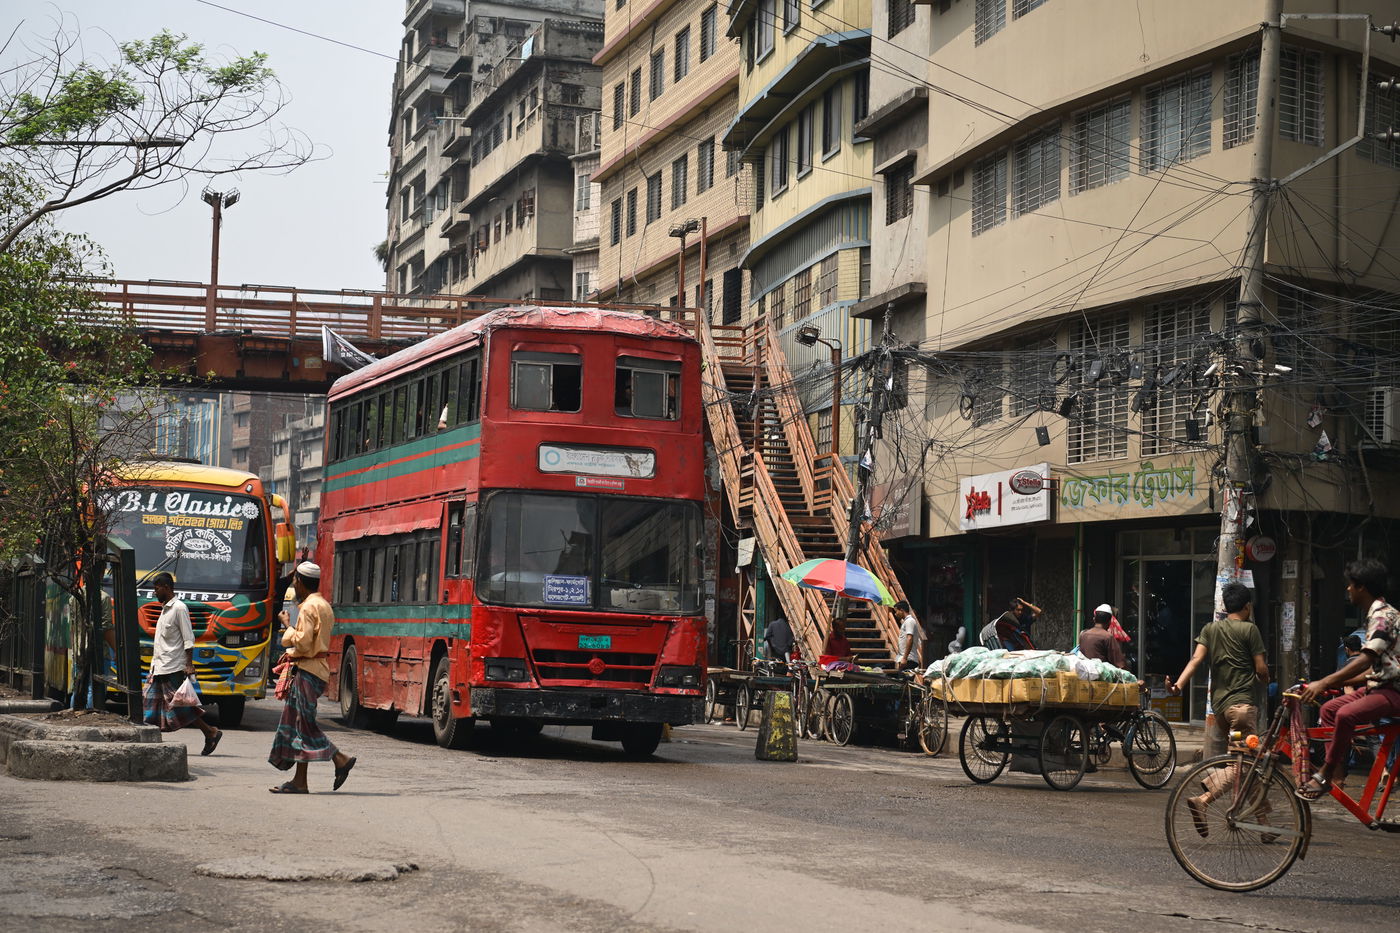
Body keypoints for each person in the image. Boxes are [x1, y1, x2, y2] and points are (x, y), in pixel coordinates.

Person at [1166, 581, 1268, 833]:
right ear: (1248, 606)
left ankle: (1265, 825)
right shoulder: (1250, 629)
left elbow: (1196, 660)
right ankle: (1204, 799)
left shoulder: (1211, 629)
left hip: (1221, 710)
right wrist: (1266, 678)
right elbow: (1261, 667)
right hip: (1242, 709)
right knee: (1242, 766)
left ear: (1225, 605)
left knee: (1246, 762)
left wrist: (1178, 687)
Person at [1298, 559, 1400, 800]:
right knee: (1329, 710)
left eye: (1350, 585)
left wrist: (1324, 682)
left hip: (1394, 691)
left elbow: (1366, 659)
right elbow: (1375, 667)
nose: (1348, 589)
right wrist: (1332, 683)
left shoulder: (1383, 616)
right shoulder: (1376, 613)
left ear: (1361, 587)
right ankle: (1336, 778)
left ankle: (1324, 773)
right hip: (1379, 687)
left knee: (1345, 715)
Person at [269, 561, 358, 793]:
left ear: (300, 582)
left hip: (308, 668)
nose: (294, 584)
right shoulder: (324, 605)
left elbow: (303, 641)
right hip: (316, 668)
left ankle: (340, 759)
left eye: (295, 581)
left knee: (304, 724)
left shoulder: (309, 607)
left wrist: (287, 627)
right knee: (300, 725)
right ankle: (301, 781)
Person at [142, 572, 222, 755]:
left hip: (173, 666)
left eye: (157, 589)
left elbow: (188, 639)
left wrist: (189, 664)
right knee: (152, 702)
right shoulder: (164, 609)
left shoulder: (179, 608)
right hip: (159, 666)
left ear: (166, 587)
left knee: (181, 703)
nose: (155, 592)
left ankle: (210, 732)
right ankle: (151, 740)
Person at [1078, 604, 1125, 669]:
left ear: (1094, 620)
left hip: (1084, 673)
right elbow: (1118, 662)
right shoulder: (1107, 637)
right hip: (1102, 676)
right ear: (1109, 622)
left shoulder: (1084, 635)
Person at [893, 601, 925, 672]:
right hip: (906, 659)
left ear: (902, 610)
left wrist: (905, 658)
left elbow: (910, 638)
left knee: (904, 681)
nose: (895, 614)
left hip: (908, 659)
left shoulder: (909, 621)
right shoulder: (906, 621)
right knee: (902, 681)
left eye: (896, 611)